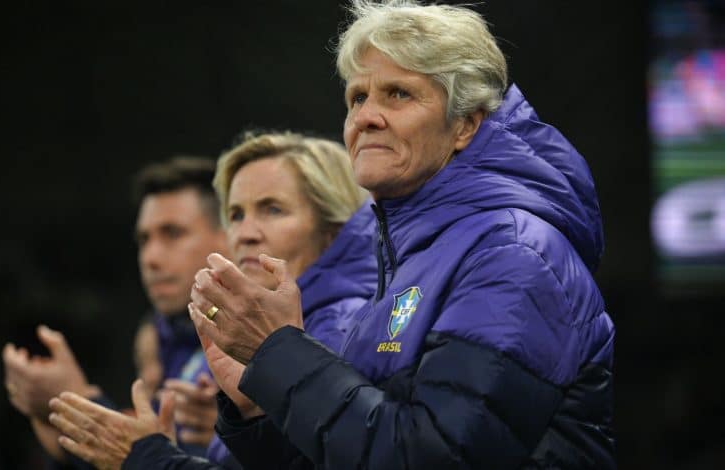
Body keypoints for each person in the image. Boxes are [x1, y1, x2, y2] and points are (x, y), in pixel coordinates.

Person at [184, 1, 612, 468]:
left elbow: (434, 457)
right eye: (357, 98)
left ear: (465, 125)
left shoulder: (514, 252)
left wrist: (281, 356)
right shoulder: (409, 259)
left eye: (398, 94)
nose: (365, 117)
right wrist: (257, 407)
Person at [46, 132, 378, 469]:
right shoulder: (234, 335)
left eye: (272, 209)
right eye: (236, 215)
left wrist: (150, 456)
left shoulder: (346, 330)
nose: (245, 233)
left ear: (333, 227)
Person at [2, 157, 230, 467]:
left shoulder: (255, 345)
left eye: (173, 233)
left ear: (227, 236)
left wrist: (76, 400)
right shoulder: (163, 338)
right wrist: (55, 421)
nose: (150, 257)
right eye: (144, 239)